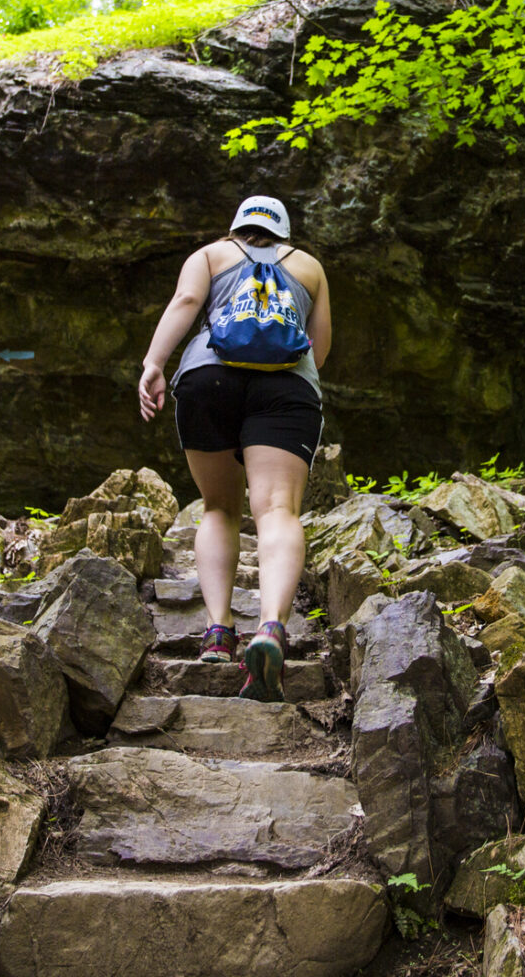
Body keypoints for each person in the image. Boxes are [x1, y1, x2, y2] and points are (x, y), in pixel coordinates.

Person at [138, 196, 331, 702]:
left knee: (219, 507)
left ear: (236, 227)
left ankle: (219, 631)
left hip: (208, 378)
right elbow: (321, 343)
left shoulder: (210, 254)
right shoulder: (309, 267)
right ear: (284, 232)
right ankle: (270, 628)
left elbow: (184, 304)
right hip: (287, 388)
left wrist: (154, 364)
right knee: (276, 510)